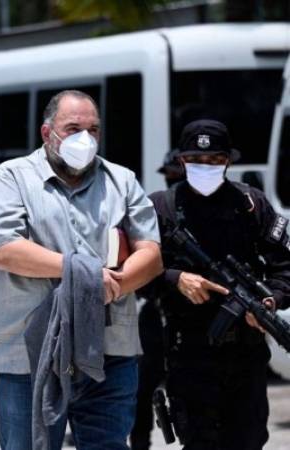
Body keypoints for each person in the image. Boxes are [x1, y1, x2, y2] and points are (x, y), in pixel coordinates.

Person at [0, 90, 162, 450]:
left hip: (109, 353)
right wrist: (83, 274)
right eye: (73, 127)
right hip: (30, 355)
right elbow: (1, 249)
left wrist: (115, 285)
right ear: (48, 133)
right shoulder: (11, 177)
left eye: (93, 129)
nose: (85, 138)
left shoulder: (121, 180)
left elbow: (150, 254)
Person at [144, 119, 290, 450]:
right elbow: (134, 275)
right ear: (181, 162)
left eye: (214, 160)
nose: (205, 167)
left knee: (248, 441)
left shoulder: (251, 204)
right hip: (189, 352)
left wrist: (271, 301)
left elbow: (284, 265)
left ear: (228, 161)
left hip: (246, 354)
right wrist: (175, 279)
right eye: (196, 160)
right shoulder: (160, 208)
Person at [130, 151, 185, 450]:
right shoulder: (156, 209)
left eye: (176, 175)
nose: (172, 182)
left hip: (192, 318)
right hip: (157, 313)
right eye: (169, 176)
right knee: (142, 391)